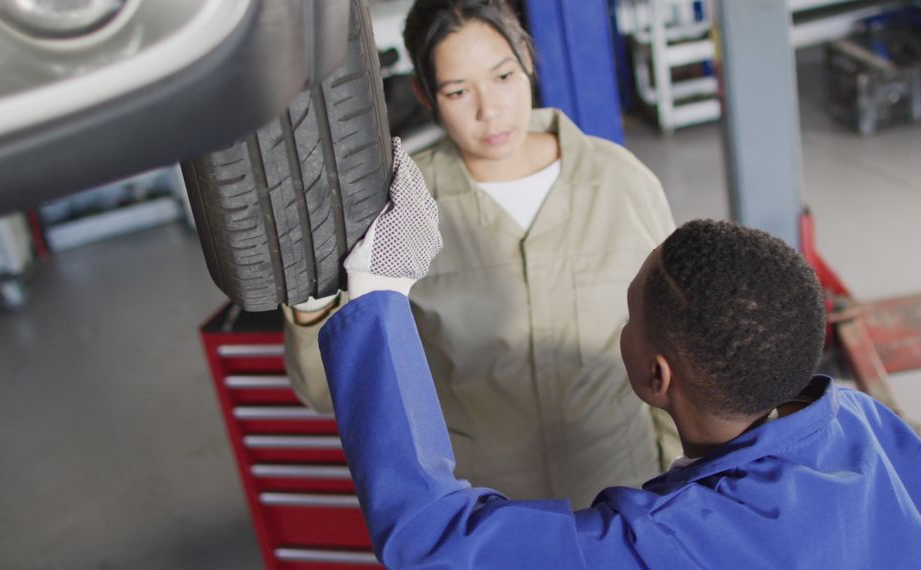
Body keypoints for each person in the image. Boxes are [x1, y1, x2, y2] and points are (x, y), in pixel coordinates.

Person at [318, 147, 921, 569]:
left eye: (630, 315)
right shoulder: (865, 425)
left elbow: (433, 541)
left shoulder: (669, 543)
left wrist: (380, 293)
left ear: (655, 375)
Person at [283, 0, 680, 507]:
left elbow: (674, 354)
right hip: (486, 514)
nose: (489, 111)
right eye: (457, 91)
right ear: (425, 96)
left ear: (528, 62)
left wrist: (676, 492)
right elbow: (329, 391)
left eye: (503, 76)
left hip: (623, 494)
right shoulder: (400, 209)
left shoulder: (621, 181)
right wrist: (310, 299)